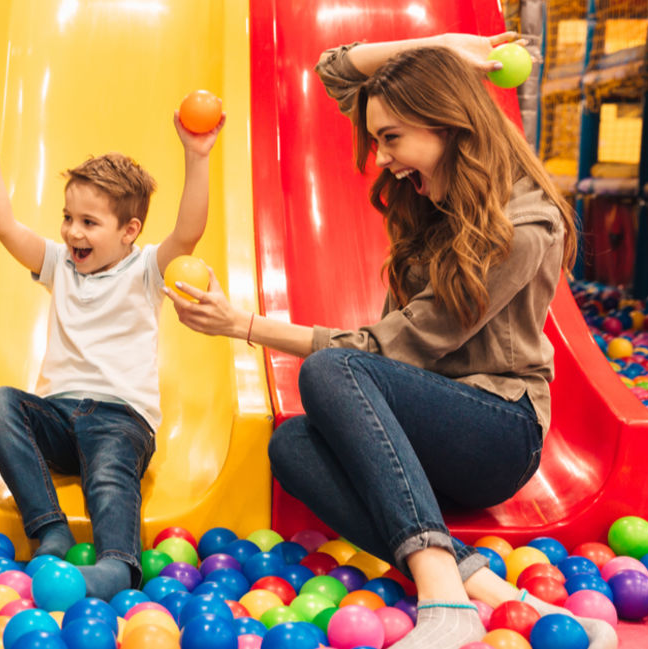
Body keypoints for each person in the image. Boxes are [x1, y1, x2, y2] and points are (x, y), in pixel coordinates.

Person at [165, 33, 616, 649]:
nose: (380, 159)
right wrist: (444, 46)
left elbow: (390, 348)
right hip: (419, 432)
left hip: (497, 433)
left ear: (447, 125)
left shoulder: (522, 225)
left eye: (391, 138)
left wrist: (244, 324)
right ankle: (493, 593)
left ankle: (440, 593)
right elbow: (335, 69)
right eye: (378, 139)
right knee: (293, 445)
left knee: (332, 372)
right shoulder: (438, 197)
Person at [0, 101, 224, 599]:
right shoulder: (59, 265)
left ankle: (118, 563)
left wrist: (197, 155)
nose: (74, 232)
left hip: (120, 418)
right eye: (68, 217)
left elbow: (188, 232)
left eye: (90, 223)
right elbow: (4, 226)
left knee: (110, 476)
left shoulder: (145, 272)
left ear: (129, 231)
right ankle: (49, 529)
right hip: (56, 417)